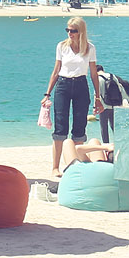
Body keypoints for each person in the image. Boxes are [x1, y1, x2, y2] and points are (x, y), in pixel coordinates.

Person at [44, 19, 104, 178]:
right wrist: (47, 93)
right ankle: (55, 167)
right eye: (68, 30)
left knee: (79, 126)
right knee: (60, 127)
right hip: (63, 86)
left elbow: (93, 74)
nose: (69, 33)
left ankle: (75, 163)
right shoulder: (61, 46)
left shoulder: (90, 48)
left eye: (73, 31)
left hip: (81, 86)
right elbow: (56, 70)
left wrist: (98, 97)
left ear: (81, 32)